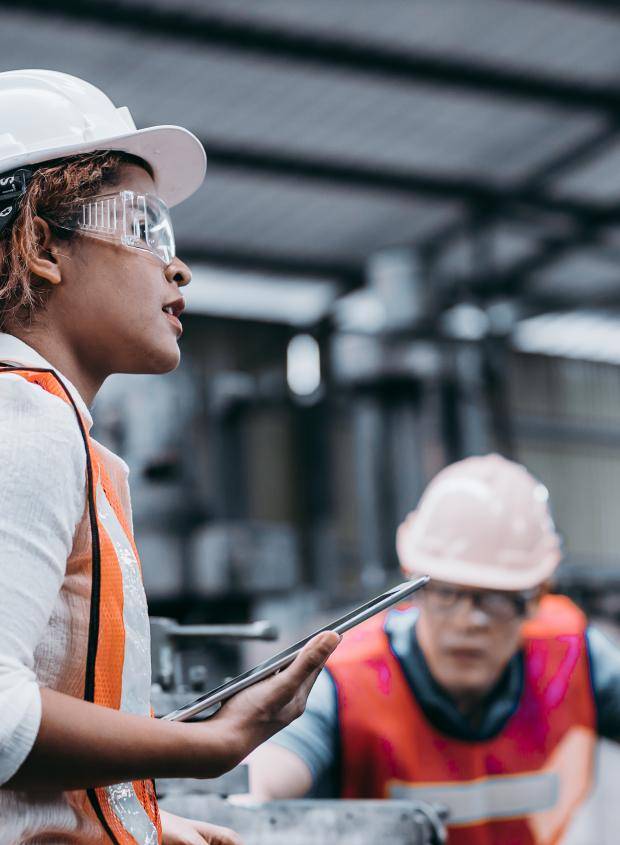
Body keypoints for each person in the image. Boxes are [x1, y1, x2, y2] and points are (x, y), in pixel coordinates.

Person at [0, 69, 340, 845]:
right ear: (44, 246)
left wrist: (140, 818)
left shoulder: (45, 423)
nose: (177, 267)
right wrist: (208, 745)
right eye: (143, 226)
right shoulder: (24, 419)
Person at [248, 453, 620, 844]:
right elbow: (264, 779)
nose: (468, 620)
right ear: (414, 586)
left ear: (535, 596)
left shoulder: (575, 658)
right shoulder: (347, 680)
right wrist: (243, 798)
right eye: (447, 592)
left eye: (494, 598)